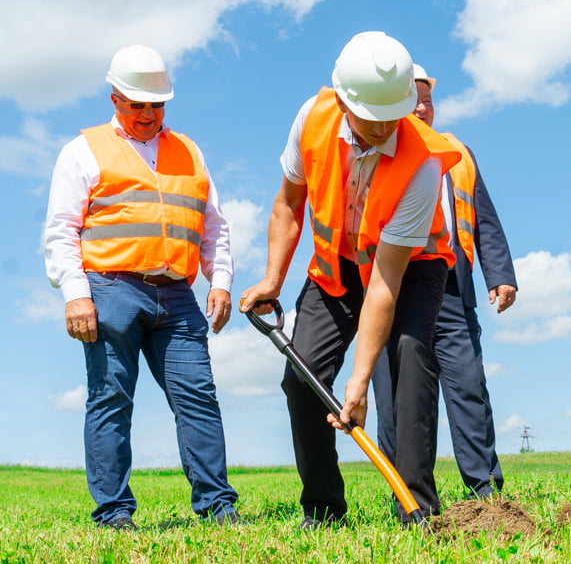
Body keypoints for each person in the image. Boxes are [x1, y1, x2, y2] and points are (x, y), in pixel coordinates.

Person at [239, 32, 461, 528]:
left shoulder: (424, 163)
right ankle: (323, 508)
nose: (384, 127)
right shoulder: (311, 119)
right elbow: (288, 204)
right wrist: (273, 278)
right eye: (371, 116)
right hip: (336, 265)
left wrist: (357, 386)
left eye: (393, 115)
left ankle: (418, 509)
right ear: (342, 100)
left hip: (411, 267)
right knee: (302, 382)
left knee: (409, 358)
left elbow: (383, 284)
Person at [44, 45, 240, 529]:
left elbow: (213, 225)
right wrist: (75, 294)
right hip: (110, 289)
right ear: (115, 99)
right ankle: (114, 513)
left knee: (198, 396)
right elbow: (61, 229)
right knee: (110, 398)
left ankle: (217, 507)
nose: (148, 114)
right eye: (137, 104)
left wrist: (220, 280)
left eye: (157, 104)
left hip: (178, 295)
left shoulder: (189, 150)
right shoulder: (84, 149)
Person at [371, 64, 517, 498]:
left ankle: (486, 492)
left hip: (452, 286)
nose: (421, 107)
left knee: (469, 386)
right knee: (396, 396)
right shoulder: (376, 146)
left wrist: (500, 274)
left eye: (427, 99)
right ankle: (407, 494)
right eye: (411, 98)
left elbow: (484, 216)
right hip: (390, 287)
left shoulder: (457, 151)